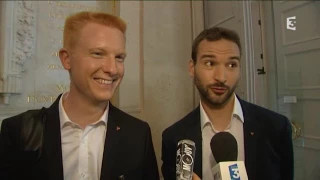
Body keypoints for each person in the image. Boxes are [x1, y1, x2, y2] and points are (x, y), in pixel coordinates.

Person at [0, 11, 159, 180]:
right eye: (98, 53)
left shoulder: (138, 134)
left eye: (119, 57)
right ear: (67, 59)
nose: (112, 69)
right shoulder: (18, 131)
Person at [161, 27, 293, 180]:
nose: (221, 77)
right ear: (192, 68)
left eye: (231, 65)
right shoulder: (174, 138)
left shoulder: (276, 128)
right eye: (210, 63)